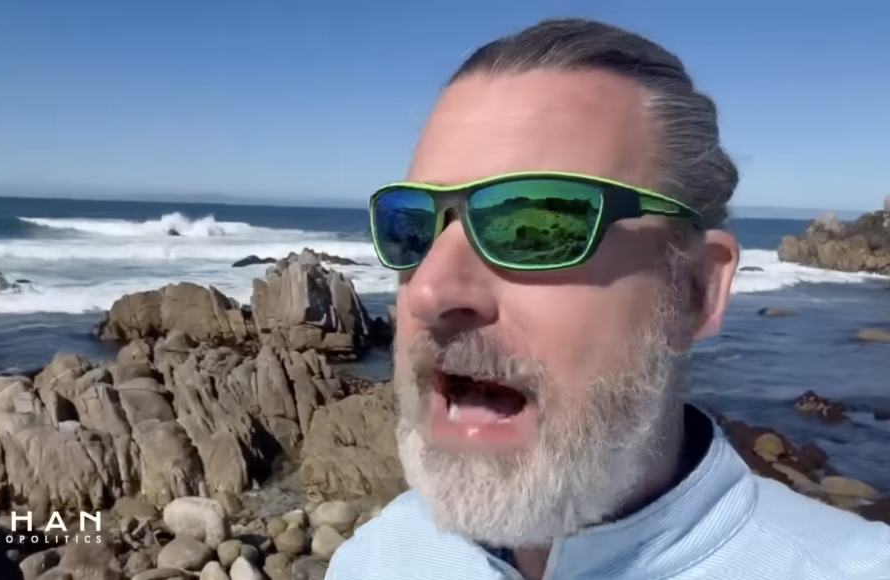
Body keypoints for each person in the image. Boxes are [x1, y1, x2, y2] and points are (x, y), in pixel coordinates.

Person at [326, 17, 890, 580]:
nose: (429, 290)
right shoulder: (373, 560)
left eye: (538, 224)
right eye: (410, 226)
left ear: (695, 291)